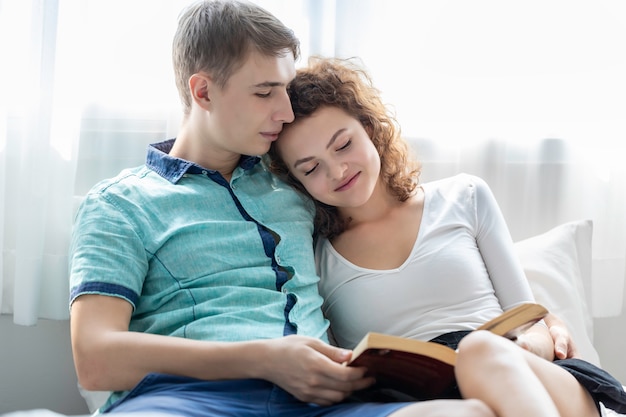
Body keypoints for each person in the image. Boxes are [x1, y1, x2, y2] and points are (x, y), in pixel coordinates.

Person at [68, 1, 498, 416]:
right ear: (203, 92)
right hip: (190, 399)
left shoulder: (301, 185)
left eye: (285, 88)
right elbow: (94, 357)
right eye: (264, 92)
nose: (286, 110)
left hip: (324, 404)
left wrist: (536, 322)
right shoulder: (120, 205)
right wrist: (263, 359)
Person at [268, 56, 626, 417]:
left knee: (479, 351)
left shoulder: (464, 196)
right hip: (432, 405)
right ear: (297, 181)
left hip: (534, 379)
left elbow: (529, 321)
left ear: (370, 128)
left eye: (343, 145)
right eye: (312, 168)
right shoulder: (315, 259)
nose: (338, 170)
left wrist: (523, 349)